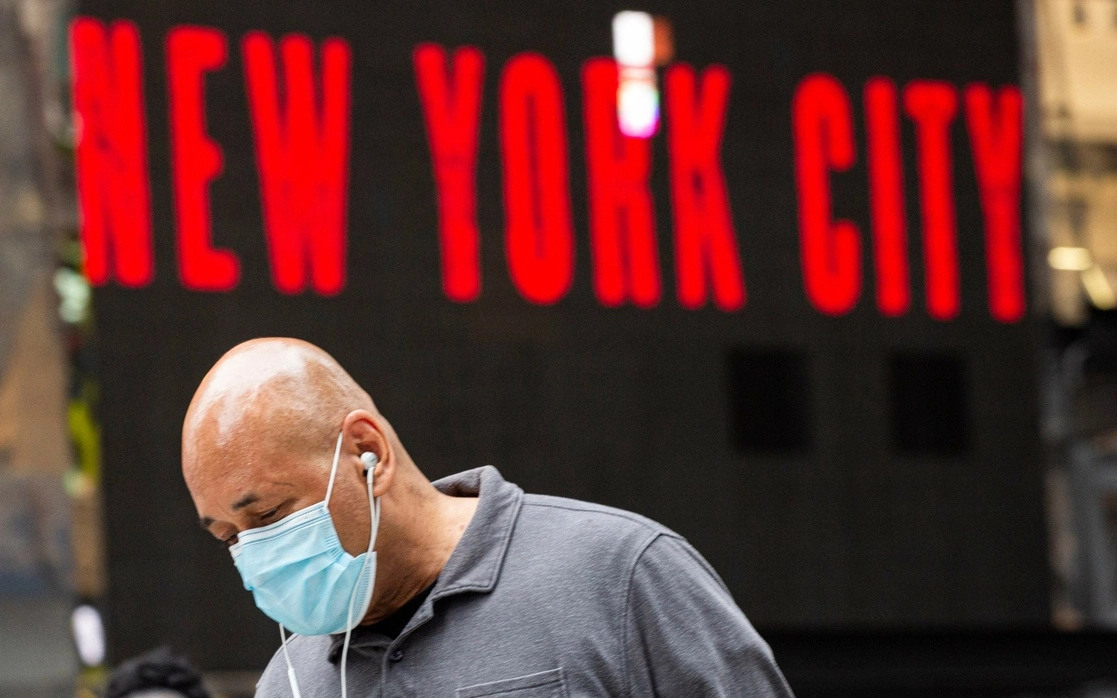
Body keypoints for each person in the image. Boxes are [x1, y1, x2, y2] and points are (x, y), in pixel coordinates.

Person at [181, 338, 794, 697]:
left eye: (267, 512)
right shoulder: (291, 682)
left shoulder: (621, 576)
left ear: (368, 453)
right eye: (228, 537)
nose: (255, 551)